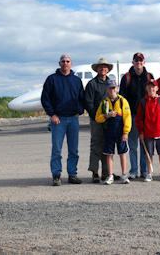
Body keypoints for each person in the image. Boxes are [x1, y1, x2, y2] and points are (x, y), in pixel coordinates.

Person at [41, 54, 84, 186]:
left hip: (73, 119)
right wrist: (52, 114)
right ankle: (56, 175)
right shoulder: (52, 79)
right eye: (63, 61)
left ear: (71, 64)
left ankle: (72, 174)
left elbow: (82, 98)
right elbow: (45, 99)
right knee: (56, 150)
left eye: (68, 61)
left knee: (73, 150)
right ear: (59, 63)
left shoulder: (76, 80)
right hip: (58, 120)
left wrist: (79, 111)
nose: (65, 63)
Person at [119, 52, 154, 179]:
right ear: (132, 62)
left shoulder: (149, 76)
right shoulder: (127, 77)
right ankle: (133, 170)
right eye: (136, 60)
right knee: (133, 145)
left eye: (141, 60)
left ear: (144, 62)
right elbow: (122, 98)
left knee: (144, 145)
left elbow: (154, 95)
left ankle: (144, 170)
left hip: (146, 117)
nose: (138, 62)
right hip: (132, 115)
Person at [95, 80, 132, 185]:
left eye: (114, 88)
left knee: (122, 153)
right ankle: (110, 175)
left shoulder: (122, 101)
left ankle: (124, 174)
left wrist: (126, 132)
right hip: (109, 132)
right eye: (110, 88)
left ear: (117, 88)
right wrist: (107, 115)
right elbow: (98, 118)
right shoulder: (104, 103)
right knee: (109, 154)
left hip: (120, 132)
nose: (112, 90)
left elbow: (127, 117)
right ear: (106, 89)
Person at [135, 79, 160, 182]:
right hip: (148, 132)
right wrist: (141, 132)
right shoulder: (143, 102)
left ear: (157, 88)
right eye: (149, 87)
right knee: (149, 154)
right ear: (146, 88)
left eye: (153, 87)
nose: (151, 89)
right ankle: (150, 173)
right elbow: (139, 118)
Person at [84, 58, 112, 183]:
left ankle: (106, 172)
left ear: (108, 69)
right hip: (96, 119)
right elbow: (88, 103)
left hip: (109, 120)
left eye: (105, 67)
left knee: (107, 146)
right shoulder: (92, 84)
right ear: (97, 69)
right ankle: (95, 172)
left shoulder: (111, 83)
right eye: (101, 67)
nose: (103, 69)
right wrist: (97, 117)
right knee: (96, 145)